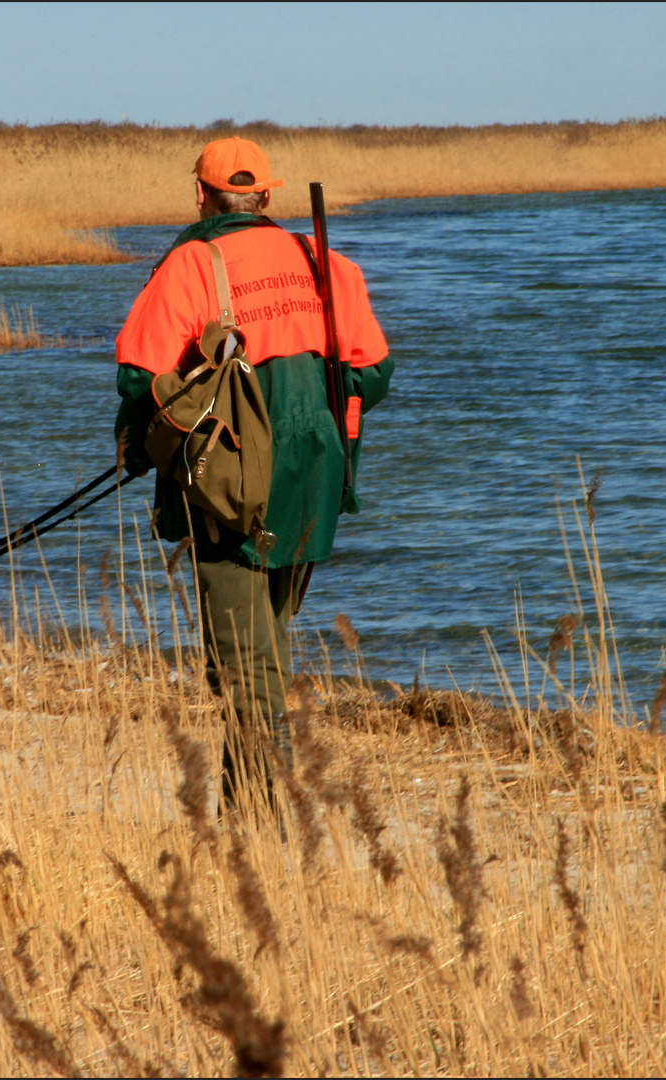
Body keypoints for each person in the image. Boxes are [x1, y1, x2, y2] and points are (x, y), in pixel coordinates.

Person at [113, 136, 392, 818]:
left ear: (201, 197)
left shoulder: (190, 265)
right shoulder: (324, 261)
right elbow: (375, 373)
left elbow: (136, 379)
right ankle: (253, 812)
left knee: (245, 666)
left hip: (227, 488)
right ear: (266, 197)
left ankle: (262, 823)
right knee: (266, 646)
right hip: (316, 483)